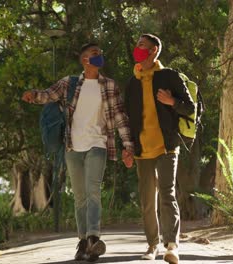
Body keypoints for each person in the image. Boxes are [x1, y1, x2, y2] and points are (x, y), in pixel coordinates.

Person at [22, 43, 134, 262]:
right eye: (94, 54)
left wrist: (128, 147)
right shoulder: (70, 83)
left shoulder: (109, 85)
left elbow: (120, 118)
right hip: (72, 147)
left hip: (98, 144)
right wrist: (33, 95)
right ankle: (82, 242)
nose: (99, 56)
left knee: (93, 191)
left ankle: (93, 237)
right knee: (80, 197)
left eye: (100, 53)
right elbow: (49, 95)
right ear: (85, 60)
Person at [123, 34, 196, 264]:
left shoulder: (169, 76)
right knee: (147, 200)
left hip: (166, 146)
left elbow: (190, 108)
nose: (138, 48)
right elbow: (128, 120)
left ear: (154, 50)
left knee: (167, 193)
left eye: (142, 45)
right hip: (142, 149)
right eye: (136, 45)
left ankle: (171, 246)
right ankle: (152, 245)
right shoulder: (133, 83)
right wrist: (127, 148)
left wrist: (172, 101)